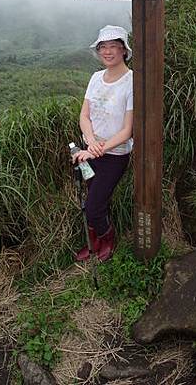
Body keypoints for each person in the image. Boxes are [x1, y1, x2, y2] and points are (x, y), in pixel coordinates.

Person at [72, 25, 133, 262]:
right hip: (90, 152)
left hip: (114, 155)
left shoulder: (131, 81)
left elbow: (127, 130)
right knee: (95, 200)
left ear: (124, 51)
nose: (108, 52)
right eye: (103, 47)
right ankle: (93, 243)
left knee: (93, 205)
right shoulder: (96, 78)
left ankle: (107, 240)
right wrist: (89, 142)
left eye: (113, 47)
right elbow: (84, 116)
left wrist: (98, 149)